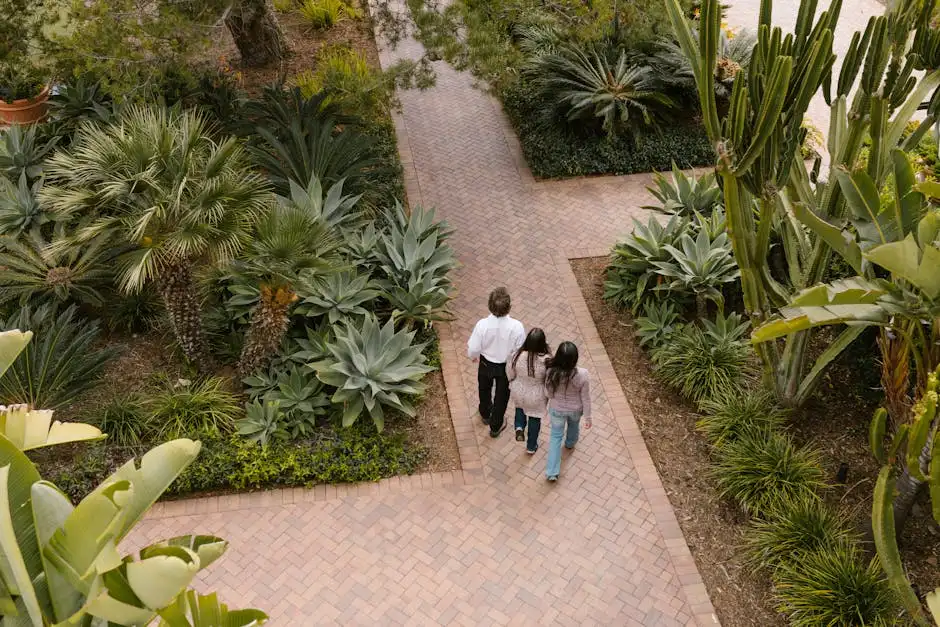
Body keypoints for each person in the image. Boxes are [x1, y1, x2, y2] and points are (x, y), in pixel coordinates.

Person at [467, 287, 525, 437]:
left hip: (486, 363)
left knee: (484, 389)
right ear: (509, 307)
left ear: (489, 305)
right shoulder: (517, 327)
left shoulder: (482, 325)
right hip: (505, 367)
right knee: (501, 396)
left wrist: (473, 356)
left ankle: (485, 413)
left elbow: (473, 347)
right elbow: (519, 351)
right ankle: (495, 426)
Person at [544, 341, 591, 481]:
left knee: (555, 437)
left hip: (557, 409)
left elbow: (549, 393)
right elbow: (586, 398)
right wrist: (588, 417)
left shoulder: (551, 372)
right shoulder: (583, 374)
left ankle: (552, 472)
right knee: (574, 426)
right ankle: (570, 443)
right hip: (575, 410)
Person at [508, 328, 551, 454]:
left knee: (520, 408)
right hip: (536, 395)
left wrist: (512, 383)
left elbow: (510, 372)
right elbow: (549, 380)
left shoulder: (517, 355)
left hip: (519, 390)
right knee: (534, 418)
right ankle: (531, 447)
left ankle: (519, 427)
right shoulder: (547, 360)